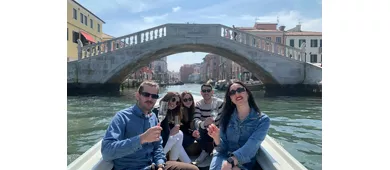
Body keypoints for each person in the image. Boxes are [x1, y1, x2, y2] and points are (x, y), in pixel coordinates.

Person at [101, 80, 198, 170]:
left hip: (153, 165)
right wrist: (142, 139)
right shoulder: (122, 117)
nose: (150, 99)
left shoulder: (153, 118)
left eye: (154, 96)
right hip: (131, 167)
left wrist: (160, 164)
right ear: (138, 96)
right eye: (146, 94)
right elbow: (106, 152)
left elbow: (158, 146)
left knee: (193, 169)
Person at [207, 81, 271, 170]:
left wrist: (231, 161)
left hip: (244, 162)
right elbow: (223, 148)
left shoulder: (263, 120)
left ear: (247, 93)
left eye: (240, 90)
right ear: (231, 99)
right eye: (232, 92)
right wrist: (216, 137)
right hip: (223, 155)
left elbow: (251, 146)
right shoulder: (226, 117)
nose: (237, 93)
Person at [193, 83, 224, 164]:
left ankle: (216, 150)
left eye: (208, 90)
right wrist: (204, 123)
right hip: (206, 130)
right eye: (204, 91)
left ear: (212, 92)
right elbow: (196, 120)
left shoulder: (220, 103)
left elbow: (225, 118)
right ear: (201, 93)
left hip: (218, 129)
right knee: (201, 128)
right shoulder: (199, 104)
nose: (206, 92)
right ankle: (205, 151)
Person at [157, 92, 192, 163]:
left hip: (163, 143)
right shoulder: (159, 111)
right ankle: (175, 161)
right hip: (156, 149)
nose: (174, 104)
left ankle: (177, 161)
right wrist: (170, 133)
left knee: (179, 134)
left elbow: (177, 125)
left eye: (177, 103)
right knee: (178, 135)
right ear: (167, 98)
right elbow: (159, 135)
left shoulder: (170, 112)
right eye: (173, 100)